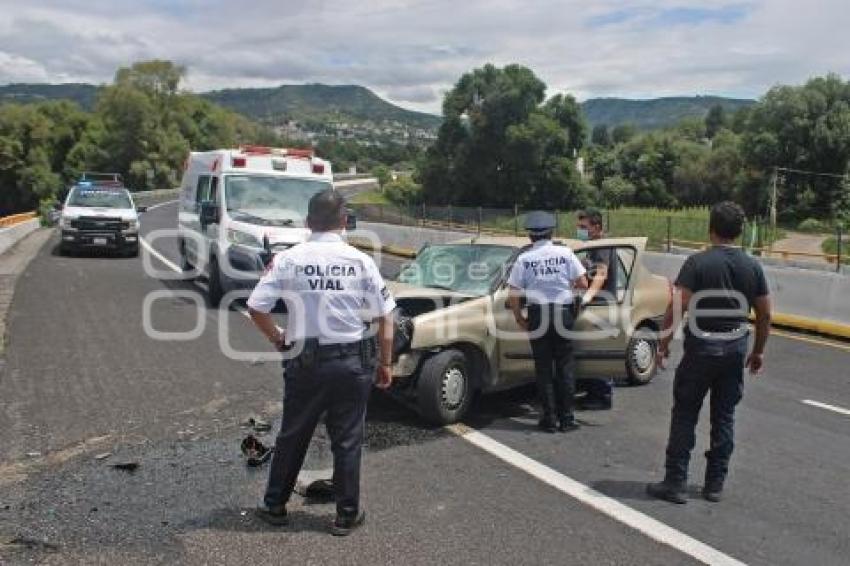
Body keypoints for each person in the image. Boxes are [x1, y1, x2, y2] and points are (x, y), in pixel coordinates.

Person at [247, 189, 395, 535]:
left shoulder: (288, 259)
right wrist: (385, 363)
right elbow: (386, 318)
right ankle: (346, 515)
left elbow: (256, 307)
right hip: (352, 361)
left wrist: (278, 337)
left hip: (305, 360)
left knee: (294, 433)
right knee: (347, 439)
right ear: (344, 222)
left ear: (307, 222)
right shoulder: (360, 261)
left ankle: (275, 506)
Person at [647, 201, 771, 504]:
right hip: (734, 346)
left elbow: (678, 306)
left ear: (711, 228)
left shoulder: (697, 263)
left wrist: (662, 345)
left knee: (685, 413)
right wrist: (758, 352)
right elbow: (765, 315)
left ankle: (675, 481)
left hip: (701, 348)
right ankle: (714, 484)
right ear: (740, 231)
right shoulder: (752, 266)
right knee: (724, 416)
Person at [508, 211, 589, 433]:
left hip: (537, 315)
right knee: (565, 366)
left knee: (543, 369)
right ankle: (567, 419)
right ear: (551, 232)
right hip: (563, 313)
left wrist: (519, 317)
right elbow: (583, 283)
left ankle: (549, 420)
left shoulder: (524, 259)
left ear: (530, 236)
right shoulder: (565, 253)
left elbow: (513, 292)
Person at [575, 208, 617, 410]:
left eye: (584, 227)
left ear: (597, 227)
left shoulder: (602, 246)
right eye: (579, 226)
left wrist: (587, 297)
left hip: (602, 304)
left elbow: (601, 274)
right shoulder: (591, 246)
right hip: (596, 303)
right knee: (590, 348)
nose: (580, 230)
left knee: (598, 349)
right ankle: (594, 391)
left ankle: (601, 396)